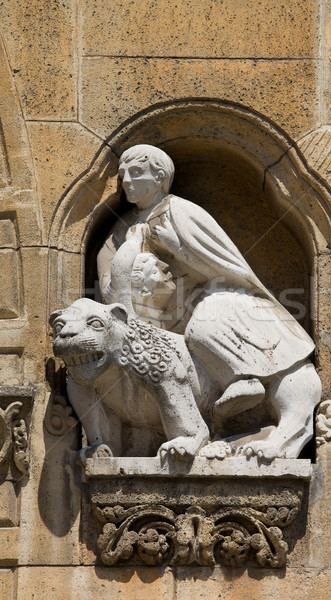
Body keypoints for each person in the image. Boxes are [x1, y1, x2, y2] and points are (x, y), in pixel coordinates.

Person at [97, 145, 319, 456]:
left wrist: (179, 250)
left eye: (136, 173)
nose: (126, 183)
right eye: (123, 176)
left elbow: (224, 266)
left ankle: (242, 377)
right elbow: (110, 288)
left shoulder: (180, 212)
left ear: (160, 177)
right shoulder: (120, 229)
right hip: (155, 318)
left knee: (205, 322)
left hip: (206, 300)